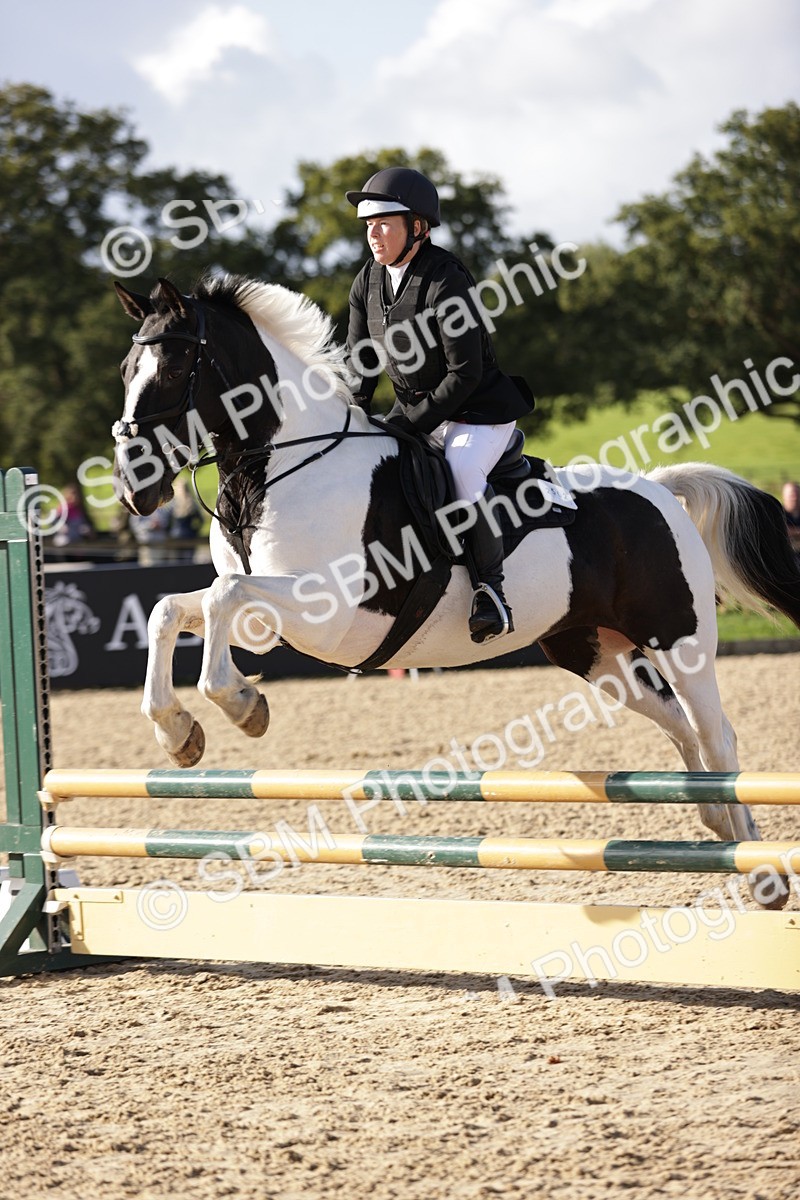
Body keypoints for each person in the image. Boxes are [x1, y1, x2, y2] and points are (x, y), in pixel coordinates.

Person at [344, 167, 534, 643]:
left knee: (462, 475)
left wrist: (411, 423)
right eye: (368, 224)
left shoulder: (445, 279)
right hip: (417, 413)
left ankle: (491, 593)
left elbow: (464, 374)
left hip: (477, 412)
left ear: (418, 227)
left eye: (385, 223)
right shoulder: (366, 281)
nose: (374, 234)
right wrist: (348, 417)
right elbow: (359, 367)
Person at [782, 480, 800, 560]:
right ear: (784, 496)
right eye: (791, 495)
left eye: (797, 495)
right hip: (787, 559)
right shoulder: (778, 514)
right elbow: (782, 531)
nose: (794, 498)